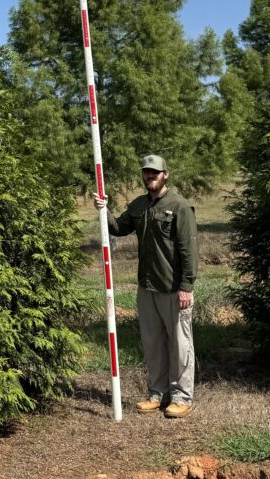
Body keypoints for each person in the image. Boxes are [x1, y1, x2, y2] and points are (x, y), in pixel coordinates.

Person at [94, 153, 198, 418]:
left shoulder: (179, 206)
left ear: (166, 175)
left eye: (155, 172)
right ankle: (157, 393)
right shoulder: (139, 205)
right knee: (153, 343)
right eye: (146, 172)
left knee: (179, 345)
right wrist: (104, 209)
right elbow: (118, 228)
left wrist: (187, 285)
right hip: (147, 286)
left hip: (173, 287)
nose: (150, 176)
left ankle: (181, 397)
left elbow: (188, 248)